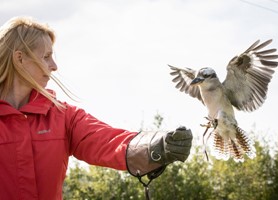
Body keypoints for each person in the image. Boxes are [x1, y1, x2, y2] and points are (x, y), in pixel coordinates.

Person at [0, 16, 193, 200]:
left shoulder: (63, 116)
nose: (54, 66)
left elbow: (106, 140)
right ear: (20, 59)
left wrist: (155, 145)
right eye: (46, 56)